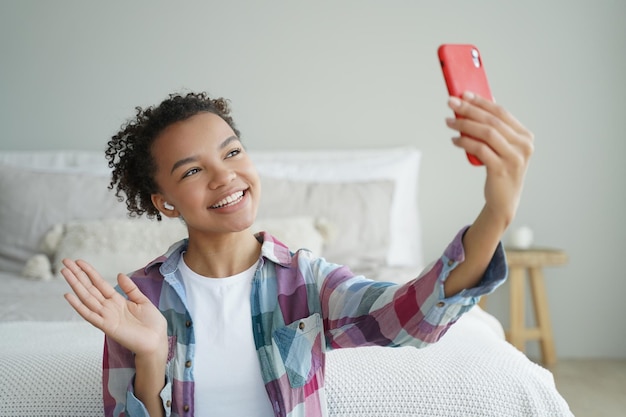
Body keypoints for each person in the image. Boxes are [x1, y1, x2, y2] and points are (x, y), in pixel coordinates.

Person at [61, 90, 533, 417]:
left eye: (232, 152)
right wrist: (149, 358)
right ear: (164, 202)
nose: (224, 177)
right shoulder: (138, 300)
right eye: (191, 172)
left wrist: (495, 213)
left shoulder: (307, 280)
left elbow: (409, 318)